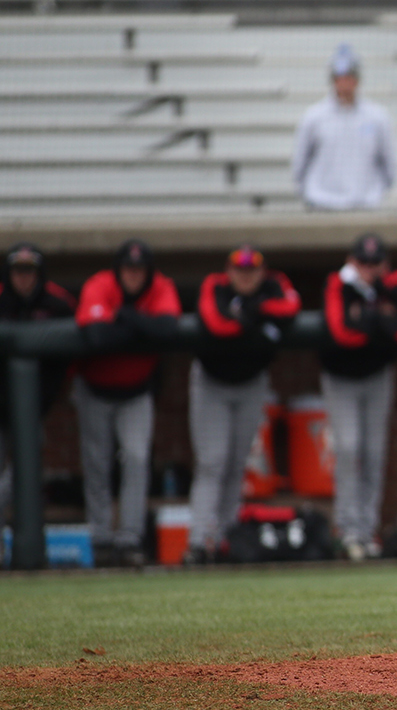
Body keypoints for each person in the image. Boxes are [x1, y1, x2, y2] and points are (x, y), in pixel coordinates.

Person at [190, 245, 302, 562]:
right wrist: (255, 321)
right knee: (212, 462)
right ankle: (199, 542)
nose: (246, 276)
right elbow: (218, 324)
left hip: (251, 382)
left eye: (252, 270)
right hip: (211, 382)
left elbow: (290, 306)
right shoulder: (215, 285)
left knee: (237, 464)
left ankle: (226, 539)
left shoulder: (273, 285)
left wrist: (252, 311)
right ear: (229, 271)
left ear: (262, 272)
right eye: (240, 270)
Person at [75, 239, 181, 567]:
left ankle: (129, 539)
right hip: (95, 389)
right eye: (128, 269)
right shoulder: (99, 285)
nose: (133, 275)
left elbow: (168, 331)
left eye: (139, 270)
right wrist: (141, 329)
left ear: (148, 272)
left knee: (135, 460)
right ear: (117, 270)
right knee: (98, 464)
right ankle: (101, 538)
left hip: (136, 392)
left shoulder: (161, 287)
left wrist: (126, 317)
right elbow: (96, 337)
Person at [320, 232, 397, 560]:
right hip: (340, 377)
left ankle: (367, 531)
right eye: (363, 262)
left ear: (385, 263)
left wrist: (369, 320)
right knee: (349, 448)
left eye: (375, 262)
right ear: (353, 262)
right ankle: (348, 530)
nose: (369, 269)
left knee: (374, 452)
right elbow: (342, 334)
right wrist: (383, 320)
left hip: (378, 376)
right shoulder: (338, 283)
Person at [0, 243, 77, 539]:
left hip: (34, 407)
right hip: (0, 405)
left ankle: (24, 541)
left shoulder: (57, 304)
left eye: (29, 271)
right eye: (18, 271)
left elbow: (67, 362)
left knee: (25, 472)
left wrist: (42, 400)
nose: (24, 278)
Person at [291, 43, 397, 210]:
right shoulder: (314, 117)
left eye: (349, 77)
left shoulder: (377, 118)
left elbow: (389, 166)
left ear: (357, 80)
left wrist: (375, 193)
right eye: (340, 78)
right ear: (333, 80)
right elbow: (299, 165)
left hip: (365, 204)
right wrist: (311, 195)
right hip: (322, 202)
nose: (345, 83)